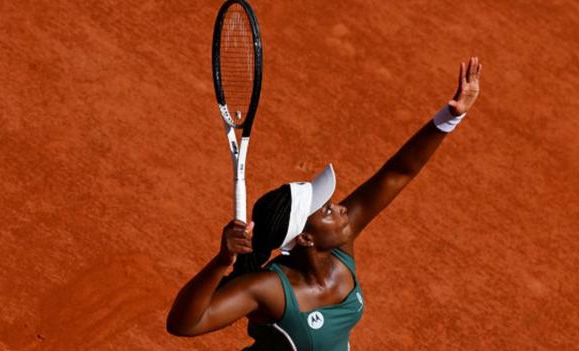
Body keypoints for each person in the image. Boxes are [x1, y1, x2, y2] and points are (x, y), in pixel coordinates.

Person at [167, 57, 482, 350]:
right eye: (327, 210)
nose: (343, 209)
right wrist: (222, 262)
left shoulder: (339, 244)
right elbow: (184, 324)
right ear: (305, 237)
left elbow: (396, 174)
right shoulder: (270, 289)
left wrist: (450, 118)